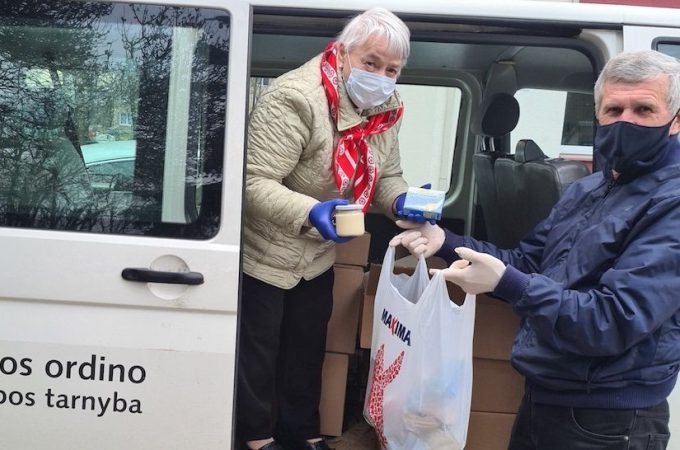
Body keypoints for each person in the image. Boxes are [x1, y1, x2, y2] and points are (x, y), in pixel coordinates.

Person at [393, 49, 680, 450]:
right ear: (597, 114)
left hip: (611, 419)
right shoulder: (587, 189)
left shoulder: (671, 202)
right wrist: (447, 242)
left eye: (643, 109)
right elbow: (528, 263)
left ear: (674, 120)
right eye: (614, 109)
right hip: (547, 394)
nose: (625, 121)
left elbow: (613, 319)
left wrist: (511, 285)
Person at [237, 8, 421, 450]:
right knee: (258, 355)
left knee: (306, 350)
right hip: (263, 250)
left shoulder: (384, 110)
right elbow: (253, 181)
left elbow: (386, 175)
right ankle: (256, 438)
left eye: (391, 69)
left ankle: (303, 433)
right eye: (371, 63)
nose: (381, 76)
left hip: (316, 255)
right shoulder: (295, 98)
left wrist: (401, 199)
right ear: (341, 54)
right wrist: (310, 212)